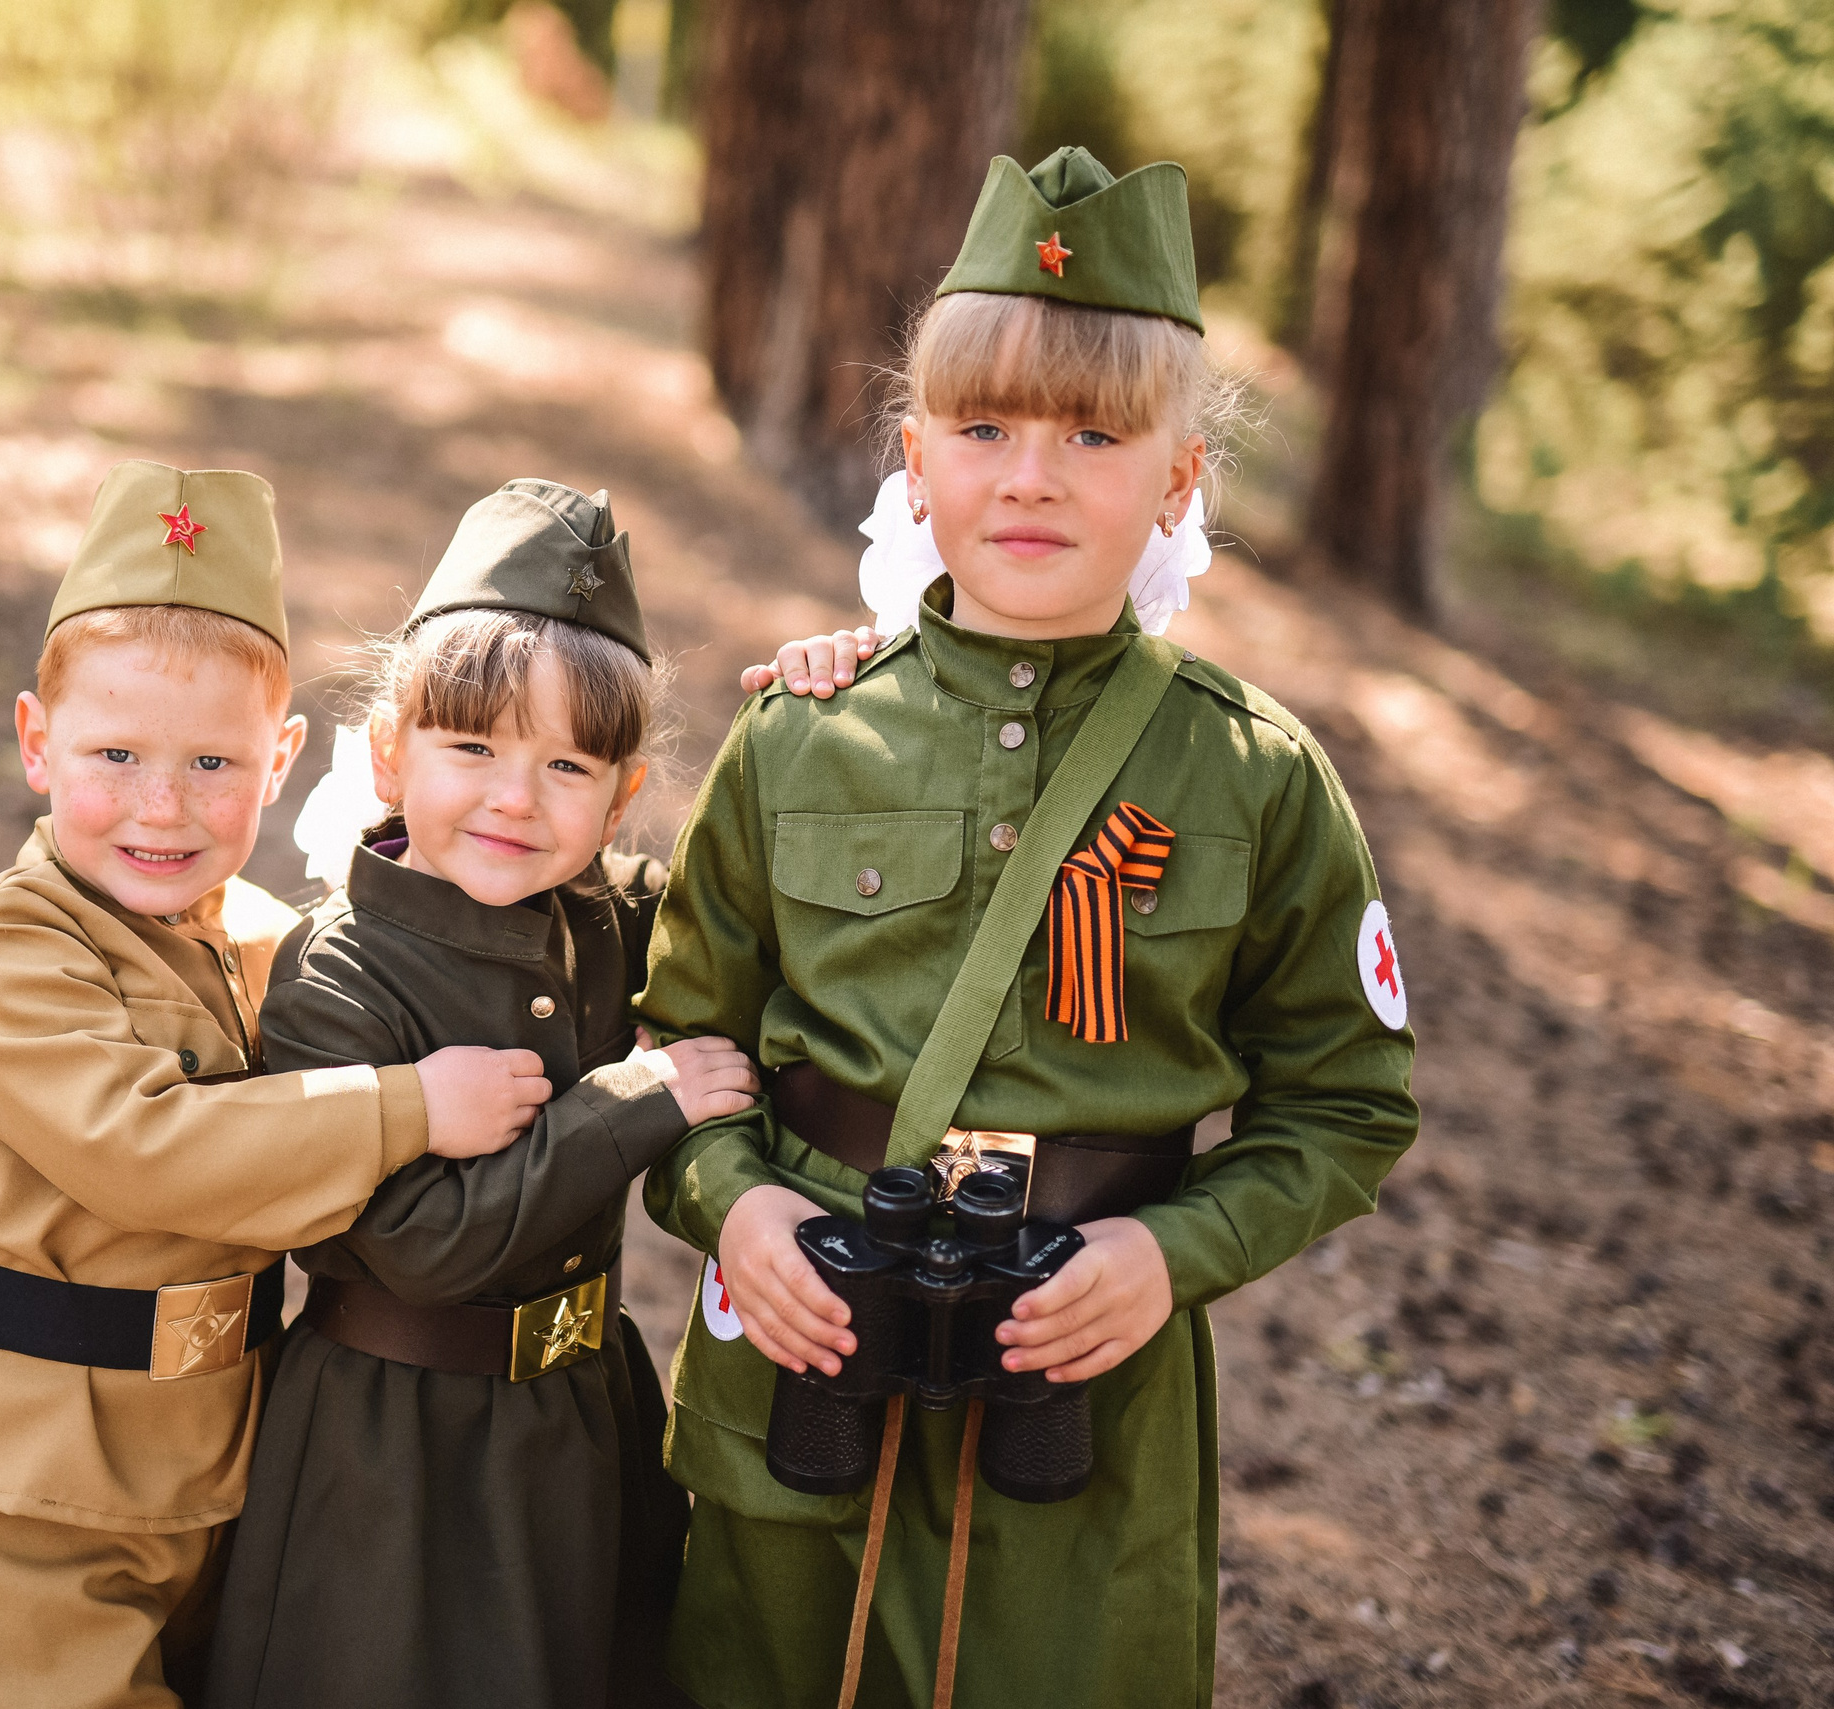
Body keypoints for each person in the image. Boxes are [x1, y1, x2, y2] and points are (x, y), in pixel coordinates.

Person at [637, 148, 1420, 1709]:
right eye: (982, 429)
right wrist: (734, 1208)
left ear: (1180, 477)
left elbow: (1347, 1103)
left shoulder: (1254, 777)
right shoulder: (801, 737)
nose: (1031, 477)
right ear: (914, 460)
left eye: (1093, 434)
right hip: (812, 1346)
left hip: (1086, 1386)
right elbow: (676, 1042)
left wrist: (1166, 1251)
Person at [0, 460, 554, 1709]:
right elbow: (144, 1144)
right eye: (116, 752)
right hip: (42, 1461)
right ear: (37, 744)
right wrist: (407, 1103)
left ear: (282, 758)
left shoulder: (267, 934)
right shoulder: (11, 945)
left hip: (238, 1442)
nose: (162, 803)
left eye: (212, 762)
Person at [205, 480, 756, 1709]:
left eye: (568, 765)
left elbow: (749, 899)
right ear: (392, 755)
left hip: (580, 1417)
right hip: (389, 1449)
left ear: (619, 797)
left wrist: (815, 706)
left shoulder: (611, 919)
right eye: (473, 748)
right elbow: (418, 1241)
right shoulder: (335, 968)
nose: (516, 797)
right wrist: (631, 1100)